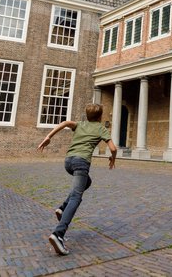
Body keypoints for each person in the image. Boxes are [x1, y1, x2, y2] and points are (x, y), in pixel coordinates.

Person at [37, 103, 117, 256]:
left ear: (87, 116)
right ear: (100, 117)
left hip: (68, 162)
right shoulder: (101, 128)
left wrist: (48, 137)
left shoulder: (80, 124)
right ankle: (58, 234)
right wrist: (112, 158)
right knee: (76, 197)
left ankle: (62, 208)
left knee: (87, 182)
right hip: (81, 163)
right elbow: (113, 148)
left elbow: (65, 123)